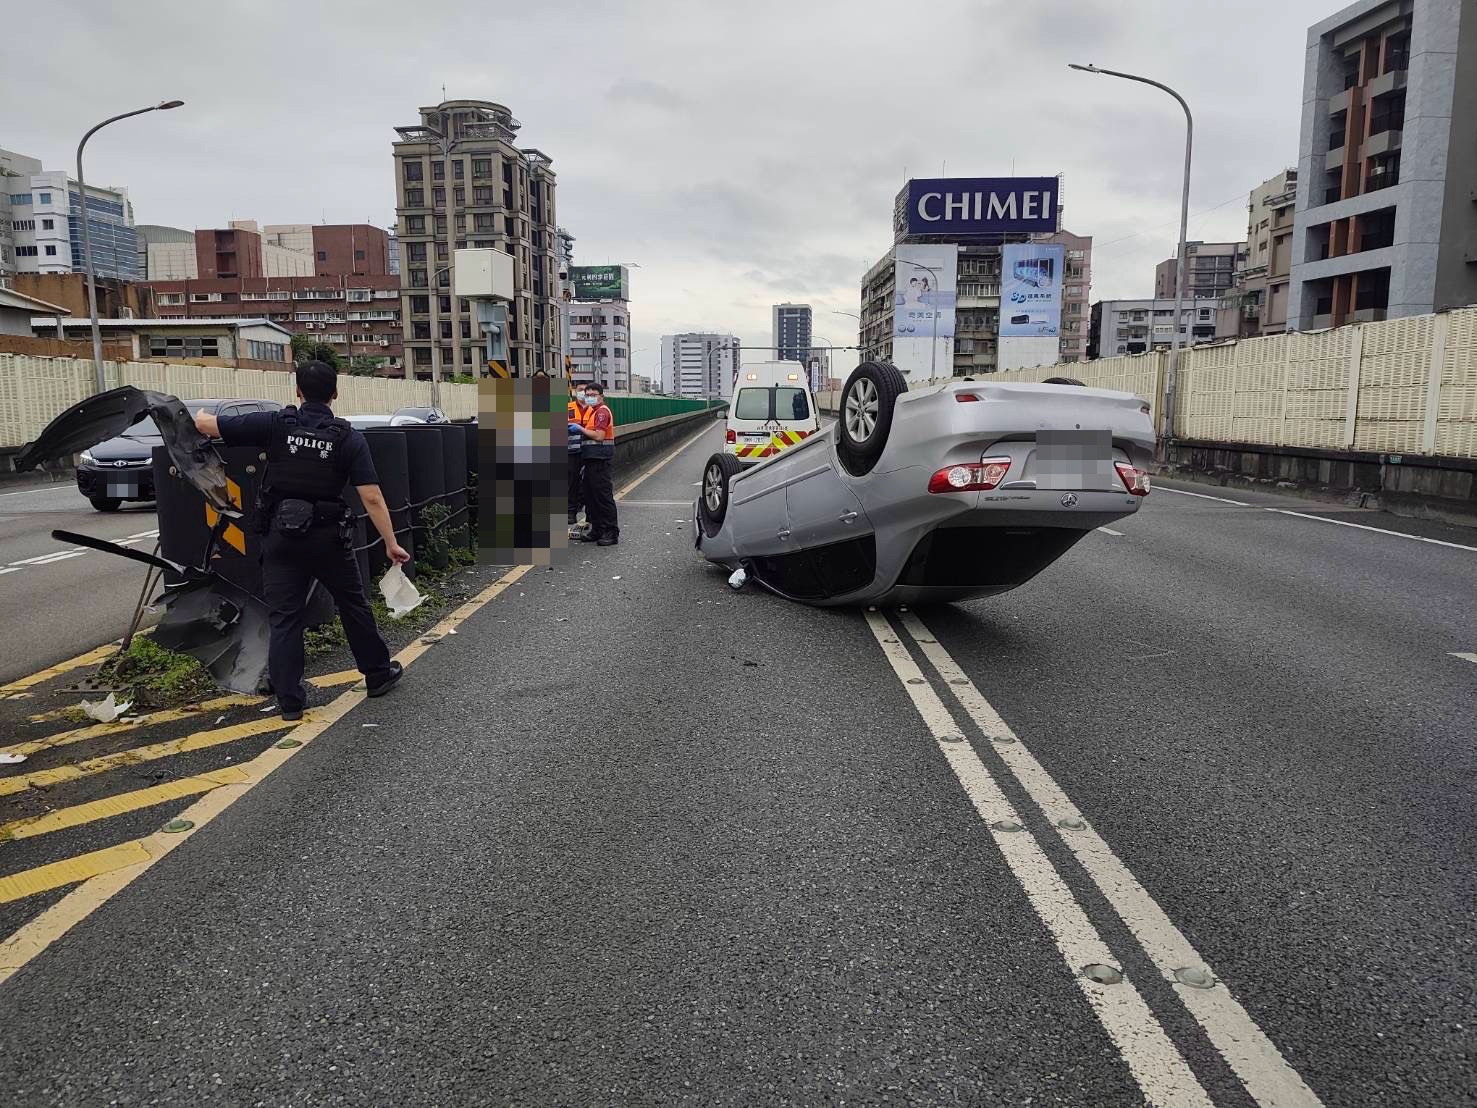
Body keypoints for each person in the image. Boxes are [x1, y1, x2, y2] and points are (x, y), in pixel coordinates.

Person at [193, 360, 409, 721]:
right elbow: (371, 496)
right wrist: (390, 543)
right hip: (328, 539)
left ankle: (290, 701)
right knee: (353, 605)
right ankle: (376, 674)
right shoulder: (347, 438)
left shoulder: (276, 424)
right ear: (335, 393)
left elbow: (207, 426)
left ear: (297, 391)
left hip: (281, 537)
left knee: (285, 618)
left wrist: (201, 416)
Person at [572, 382, 618, 546]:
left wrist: (580, 429)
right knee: (591, 498)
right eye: (587, 395)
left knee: (602, 497)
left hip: (600, 460)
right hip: (591, 460)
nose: (590, 398)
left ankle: (611, 532)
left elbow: (599, 436)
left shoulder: (602, 412)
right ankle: (597, 530)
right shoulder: (593, 412)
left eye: (593, 395)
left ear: (601, 396)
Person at [566, 380, 588, 527]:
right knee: (571, 483)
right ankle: (570, 512)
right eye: (580, 389)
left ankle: (589, 513)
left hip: (589, 451)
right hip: (571, 451)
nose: (583, 393)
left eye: (586, 390)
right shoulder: (567, 408)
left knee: (589, 483)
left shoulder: (594, 409)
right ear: (575, 391)